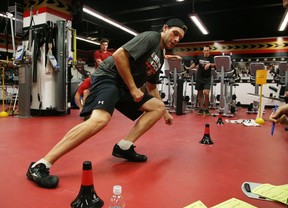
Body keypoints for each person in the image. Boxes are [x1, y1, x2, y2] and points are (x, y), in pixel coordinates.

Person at [26, 18, 187, 188]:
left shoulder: (160, 57)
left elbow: (152, 87)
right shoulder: (151, 37)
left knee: (158, 107)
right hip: (109, 77)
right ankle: (41, 164)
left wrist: (165, 113)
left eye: (180, 38)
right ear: (165, 28)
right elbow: (119, 55)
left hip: (124, 86)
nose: (176, 39)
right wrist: (133, 88)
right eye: (175, 33)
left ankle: (124, 147)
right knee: (99, 120)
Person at [186, 46, 215, 115]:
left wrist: (209, 64)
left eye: (207, 50)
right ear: (203, 51)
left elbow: (214, 65)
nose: (206, 52)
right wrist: (189, 68)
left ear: (209, 51)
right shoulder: (199, 57)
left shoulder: (211, 58)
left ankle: (207, 109)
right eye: (205, 50)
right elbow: (194, 64)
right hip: (199, 77)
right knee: (200, 93)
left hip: (207, 78)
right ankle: (201, 108)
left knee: (206, 93)